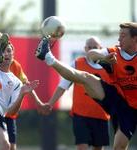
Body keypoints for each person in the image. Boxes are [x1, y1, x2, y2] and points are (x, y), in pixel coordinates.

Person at [35, 22, 137, 150]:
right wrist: (103, 58)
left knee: (117, 147)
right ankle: (48, 57)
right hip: (120, 103)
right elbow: (91, 54)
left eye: (123, 36)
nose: (118, 39)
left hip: (116, 111)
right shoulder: (114, 52)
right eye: (119, 35)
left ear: (135, 38)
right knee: (86, 78)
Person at [40, 37, 111, 150]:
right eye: (89, 47)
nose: (92, 49)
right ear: (85, 49)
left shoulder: (108, 67)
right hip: (80, 115)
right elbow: (63, 85)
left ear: (100, 49)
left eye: (95, 47)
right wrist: (50, 103)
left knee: (98, 147)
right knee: (82, 147)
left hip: (101, 116)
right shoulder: (77, 64)